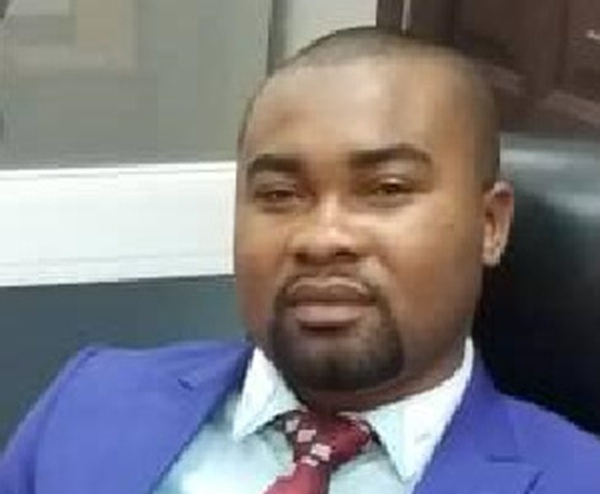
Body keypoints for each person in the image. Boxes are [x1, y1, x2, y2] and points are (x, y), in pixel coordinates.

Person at [2, 26, 600, 494]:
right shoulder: (90, 400)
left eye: (386, 189)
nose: (321, 237)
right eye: (280, 195)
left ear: (490, 225)